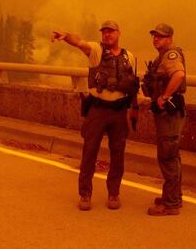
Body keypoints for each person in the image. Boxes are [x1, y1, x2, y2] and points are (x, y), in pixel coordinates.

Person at [52, 21, 139, 211]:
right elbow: (80, 43)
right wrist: (66, 36)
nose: (107, 35)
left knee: (118, 155)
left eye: (111, 32)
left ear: (119, 33)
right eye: (104, 32)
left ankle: (114, 193)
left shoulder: (130, 57)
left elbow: (133, 85)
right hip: (98, 111)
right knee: (89, 152)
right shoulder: (96, 51)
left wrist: (134, 109)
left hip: (119, 112)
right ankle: (85, 193)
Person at [142, 23, 186, 216]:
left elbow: (179, 74)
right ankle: (174, 195)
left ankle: (170, 204)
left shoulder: (170, 55)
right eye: (154, 36)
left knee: (167, 156)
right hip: (167, 114)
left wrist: (164, 96)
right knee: (172, 155)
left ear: (169, 38)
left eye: (160, 36)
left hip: (169, 113)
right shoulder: (161, 56)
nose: (156, 39)